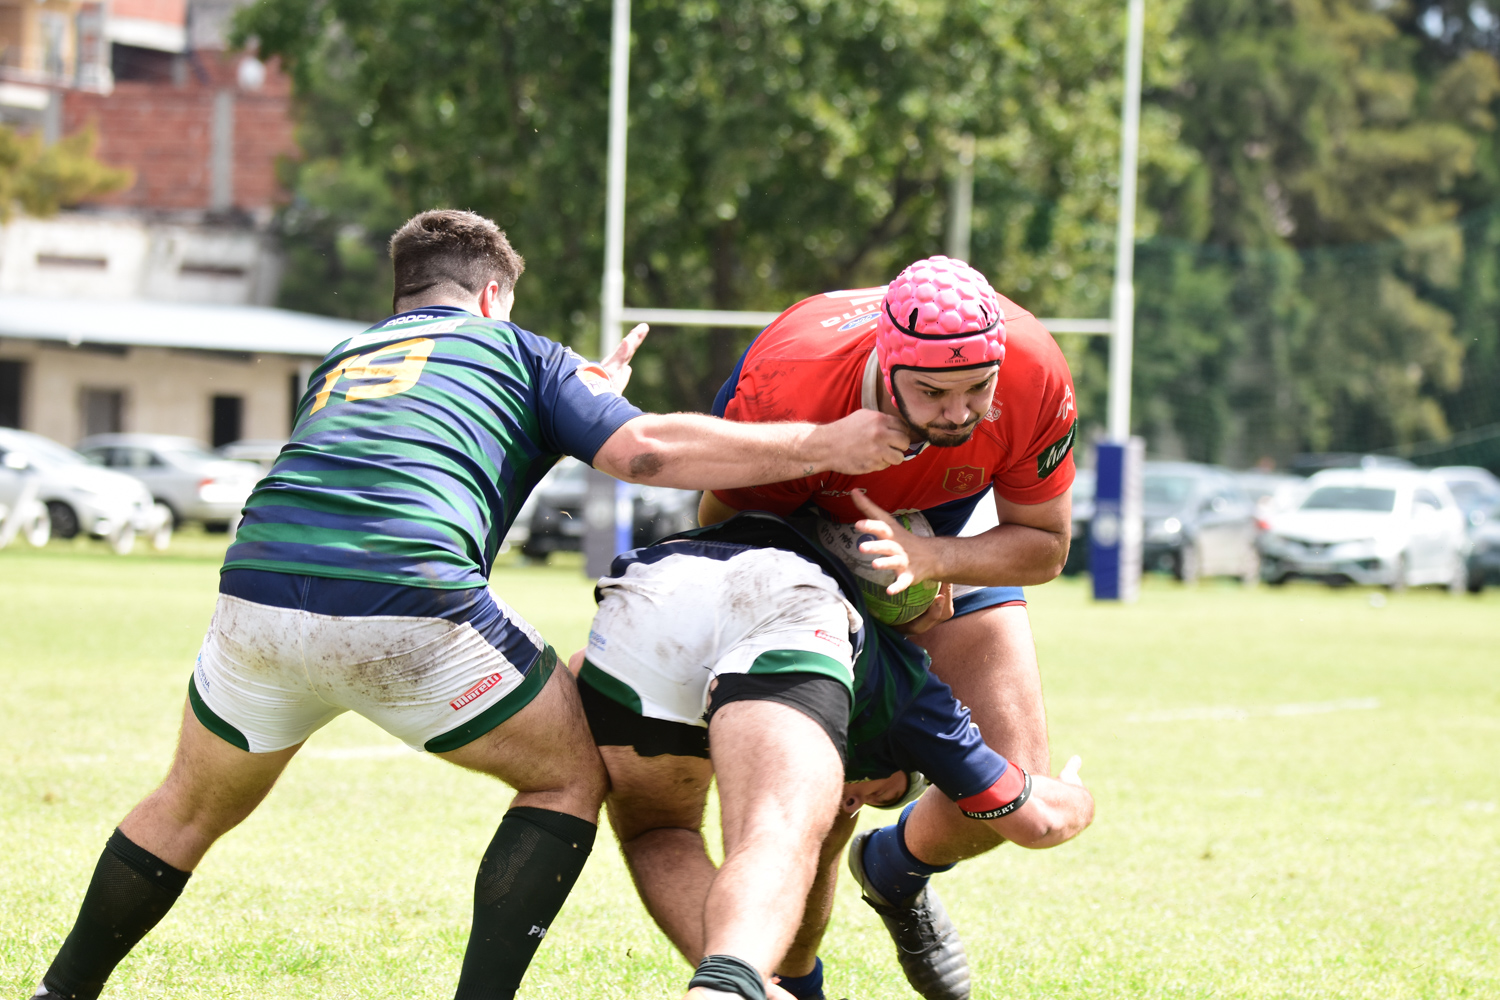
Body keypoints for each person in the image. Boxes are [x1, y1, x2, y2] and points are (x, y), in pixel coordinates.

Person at [26, 209, 912, 1000]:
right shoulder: (515, 350)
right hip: (407, 599)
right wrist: (823, 442)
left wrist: (572, 405)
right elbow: (643, 451)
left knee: (186, 803)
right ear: (494, 295)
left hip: (254, 597)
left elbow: (421, 447)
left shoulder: (346, 355)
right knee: (569, 774)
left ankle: (61, 993)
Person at [701, 256, 1079, 999]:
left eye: (978, 389)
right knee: (823, 800)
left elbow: (1045, 545)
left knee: (1014, 784)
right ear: (886, 361)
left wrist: (931, 559)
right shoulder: (795, 382)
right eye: (933, 392)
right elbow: (728, 533)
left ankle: (895, 868)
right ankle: (795, 982)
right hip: (803, 544)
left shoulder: (1034, 368)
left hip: (947, 535)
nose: (959, 413)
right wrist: (873, 664)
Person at [573, 508, 1094, 1000]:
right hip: (789, 564)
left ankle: (767, 972)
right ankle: (745, 982)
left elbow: (582, 663)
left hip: (673, 581)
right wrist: (1076, 798)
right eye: (877, 793)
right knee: (777, 832)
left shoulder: (901, 678)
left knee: (688, 830)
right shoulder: (913, 703)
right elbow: (1038, 822)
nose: (855, 801)